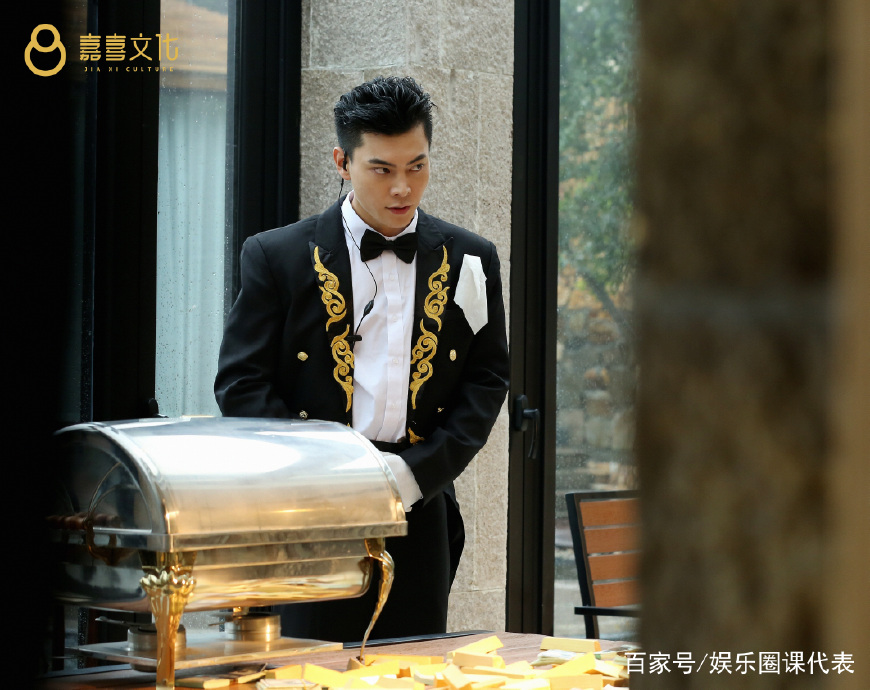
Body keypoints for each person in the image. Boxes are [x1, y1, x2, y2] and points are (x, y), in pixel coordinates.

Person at [214, 76, 509, 641]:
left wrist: (418, 473)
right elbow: (241, 383)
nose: (403, 187)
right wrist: (324, 472)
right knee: (310, 663)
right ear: (343, 162)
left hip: (418, 502)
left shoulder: (471, 258)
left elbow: (487, 379)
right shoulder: (277, 256)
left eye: (417, 166)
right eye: (382, 169)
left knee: (414, 666)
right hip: (310, 506)